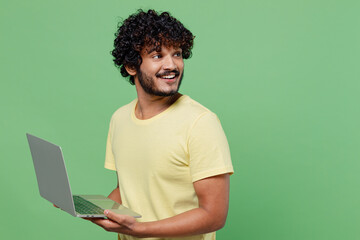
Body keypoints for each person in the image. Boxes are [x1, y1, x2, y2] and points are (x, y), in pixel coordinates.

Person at [89, 9, 234, 240]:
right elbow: (128, 190)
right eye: (158, 56)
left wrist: (139, 230)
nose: (172, 65)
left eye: (177, 54)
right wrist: (89, 209)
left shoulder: (201, 123)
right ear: (131, 66)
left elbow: (214, 215)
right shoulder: (119, 119)